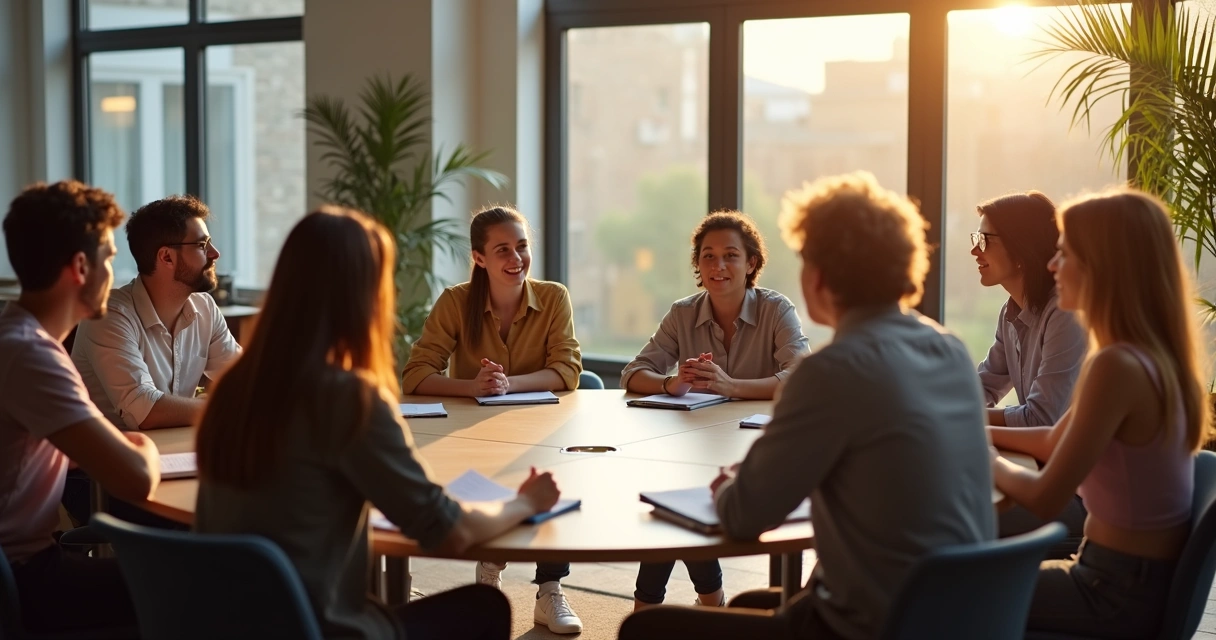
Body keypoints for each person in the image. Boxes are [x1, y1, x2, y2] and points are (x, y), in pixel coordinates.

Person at [619, 171, 995, 640]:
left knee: (648, 628)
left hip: (872, 625)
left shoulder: (830, 372)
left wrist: (728, 487)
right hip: (964, 611)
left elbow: (741, 516)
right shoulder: (950, 349)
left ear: (817, 277)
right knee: (753, 604)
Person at [194, 206, 559, 639]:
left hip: (224, 619)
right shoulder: (347, 397)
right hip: (314, 625)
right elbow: (449, 531)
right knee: (482, 606)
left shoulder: (235, 386)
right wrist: (525, 503)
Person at [991, 189, 1209, 638]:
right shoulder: (1146, 357)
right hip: (1123, 580)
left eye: (1064, 254)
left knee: (946, 588)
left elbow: (1045, 497)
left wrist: (982, 456)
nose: (1051, 267)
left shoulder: (1116, 367)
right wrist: (972, 429)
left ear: (1104, 267)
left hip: (1112, 591)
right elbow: (1052, 440)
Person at [400, 205, 584, 634]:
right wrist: (471, 387)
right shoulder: (455, 302)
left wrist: (508, 384)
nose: (516, 258)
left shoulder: (554, 296)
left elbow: (569, 371)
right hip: (473, 431)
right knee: (484, 477)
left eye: (521, 246)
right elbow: (415, 374)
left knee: (551, 476)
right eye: (503, 249)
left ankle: (550, 588)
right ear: (479, 257)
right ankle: (489, 571)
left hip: (540, 428)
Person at [621, 210, 809, 609]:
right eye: (708, 256)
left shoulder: (777, 310)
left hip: (756, 447)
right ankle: (705, 602)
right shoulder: (683, 312)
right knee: (680, 500)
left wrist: (732, 386)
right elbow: (634, 373)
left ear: (751, 263)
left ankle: (651, 608)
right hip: (696, 444)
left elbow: (800, 377)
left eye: (730, 256)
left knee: (682, 503)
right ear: (698, 264)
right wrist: (672, 383)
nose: (718, 266)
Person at [0, 180, 161, 636]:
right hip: (22, 575)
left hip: (25, 563)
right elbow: (134, 477)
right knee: (190, 584)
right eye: (109, 259)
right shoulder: (32, 355)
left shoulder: (17, 336)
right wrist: (141, 445)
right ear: (79, 267)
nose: (113, 271)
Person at [970, 191, 1089, 554]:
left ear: (1021, 250)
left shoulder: (1065, 314)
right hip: (1044, 471)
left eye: (985, 240)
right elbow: (985, 383)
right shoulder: (1011, 313)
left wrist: (961, 420)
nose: (975, 251)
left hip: (1078, 496)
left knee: (953, 516)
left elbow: (1042, 416)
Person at [72, 194, 241, 431]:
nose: (215, 253)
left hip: (173, 454)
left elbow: (247, 380)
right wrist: (224, 409)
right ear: (166, 257)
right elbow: (145, 410)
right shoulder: (108, 314)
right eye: (202, 245)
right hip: (108, 462)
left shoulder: (205, 308)